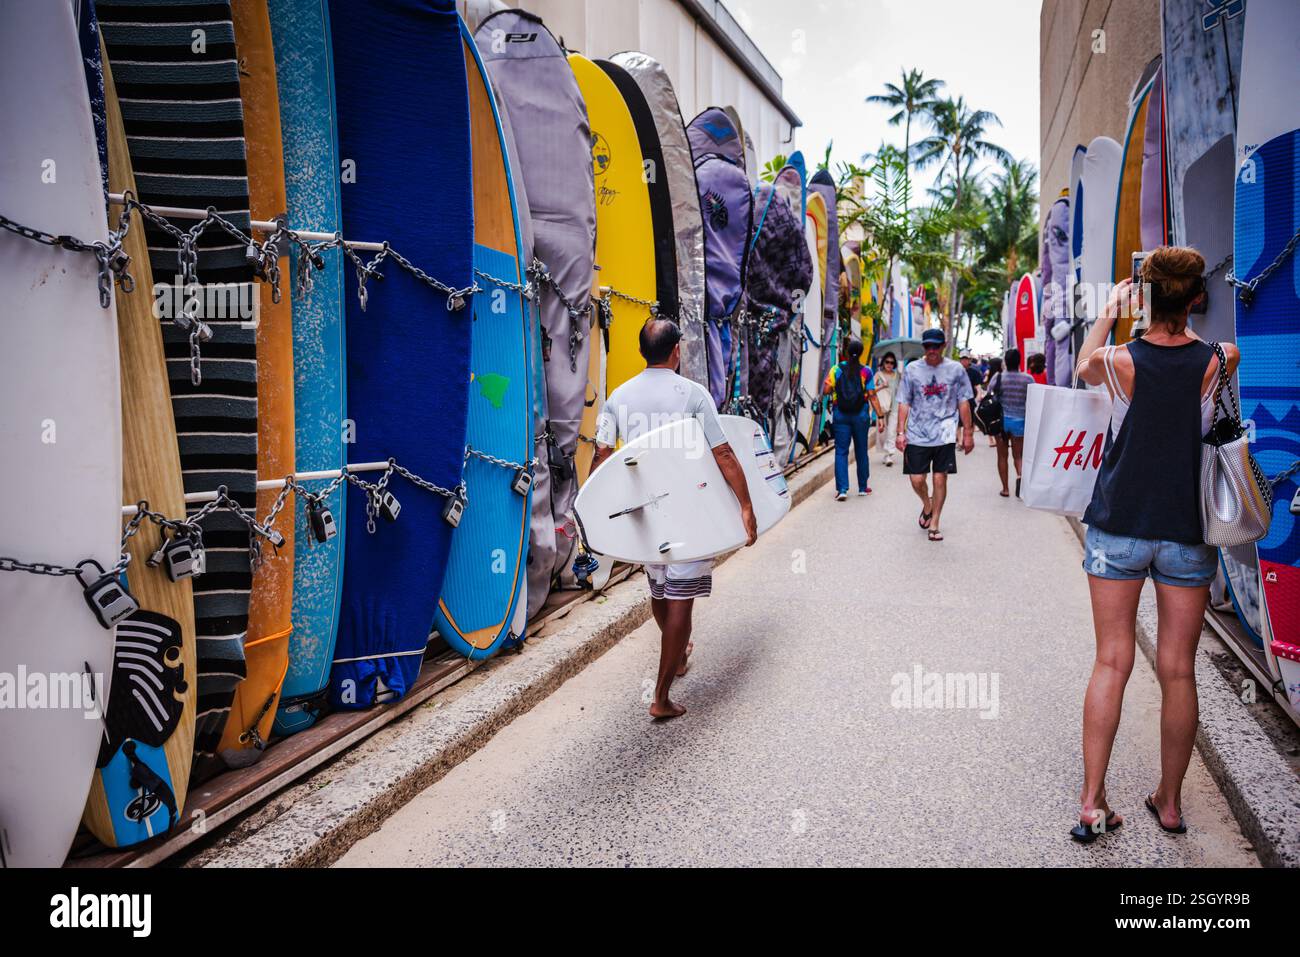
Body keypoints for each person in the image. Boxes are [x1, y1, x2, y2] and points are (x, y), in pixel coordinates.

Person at [1070, 247, 1238, 843]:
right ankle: (1168, 803)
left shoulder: (1117, 361)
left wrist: (1114, 309)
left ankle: (1092, 802)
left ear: (1145, 295)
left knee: (1111, 661)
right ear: (1194, 296)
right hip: (1187, 532)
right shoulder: (1221, 358)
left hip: (1118, 525)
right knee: (1178, 672)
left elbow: (1084, 363)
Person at [592, 319, 757, 721]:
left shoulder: (618, 396)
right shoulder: (693, 394)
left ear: (641, 350)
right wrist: (747, 505)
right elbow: (723, 454)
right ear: (676, 351)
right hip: (689, 508)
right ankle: (661, 695)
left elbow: (601, 457)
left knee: (661, 587)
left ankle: (677, 653)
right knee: (680, 599)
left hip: (645, 511)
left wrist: (601, 515)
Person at [895, 327, 975, 542]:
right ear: (924, 347)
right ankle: (927, 505)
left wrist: (968, 433)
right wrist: (900, 432)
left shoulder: (956, 369)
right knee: (917, 479)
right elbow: (904, 401)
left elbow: (964, 401)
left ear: (943, 346)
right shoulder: (912, 370)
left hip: (945, 432)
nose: (932, 350)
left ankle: (935, 522)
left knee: (940, 478)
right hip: (917, 432)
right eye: (928, 346)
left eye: (936, 346)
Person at [822, 337, 885, 500]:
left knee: (841, 452)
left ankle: (842, 489)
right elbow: (872, 395)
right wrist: (880, 416)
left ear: (847, 352)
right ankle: (863, 487)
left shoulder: (836, 369)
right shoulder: (866, 372)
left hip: (840, 414)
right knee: (861, 451)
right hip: (860, 415)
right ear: (862, 353)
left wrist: (834, 386)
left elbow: (826, 390)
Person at [988, 348, 1035, 498]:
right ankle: (1020, 477)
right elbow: (1034, 401)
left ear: (1005, 362)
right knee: (1018, 455)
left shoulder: (999, 377)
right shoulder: (1028, 379)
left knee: (1002, 456)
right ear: (1019, 361)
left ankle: (1005, 489)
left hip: (1001, 422)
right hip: (1020, 421)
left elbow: (989, 394)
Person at [873, 351, 902, 467]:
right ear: (883, 363)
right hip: (881, 407)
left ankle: (889, 454)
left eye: (892, 362)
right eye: (887, 362)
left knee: (892, 431)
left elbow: (902, 389)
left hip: (895, 406)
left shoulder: (897, 375)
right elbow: (870, 390)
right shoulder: (878, 375)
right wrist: (881, 386)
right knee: (882, 432)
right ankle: (886, 453)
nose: (889, 364)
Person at [981, 356, 1003, 447]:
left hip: (992, 400)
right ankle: (997, 439)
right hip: (999, 401)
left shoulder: (992, 374)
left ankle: (991, 440)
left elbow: (987, 386)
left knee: (990, 420)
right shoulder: (1000, 374)